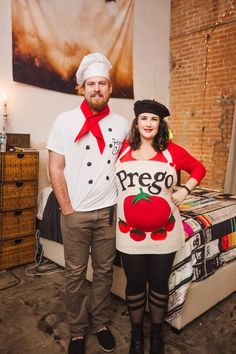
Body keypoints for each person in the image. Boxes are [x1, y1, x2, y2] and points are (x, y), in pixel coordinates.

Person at [47, 52, 130, 354]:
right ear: (81, 88)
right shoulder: (65, 121)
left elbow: (129, 164)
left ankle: (101, 323)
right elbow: (55, 168)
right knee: (75, 274)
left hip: (108, 212)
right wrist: (66, 208)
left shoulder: (122, 124)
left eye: (103, 83)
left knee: (105, 272)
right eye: (91, 84)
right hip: (76, 213)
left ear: (110, 88)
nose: (97, 88)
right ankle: (78, 331)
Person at [115, 99, 206, 354]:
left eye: (154, 119)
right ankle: (136, 334)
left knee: (158, 282)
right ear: (136, 122)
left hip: (164, 235)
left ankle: (156, 333)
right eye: (144, 118)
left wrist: (185, 190)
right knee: (134, 284)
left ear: (160, 124)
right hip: (128, 235)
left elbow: (199, 168)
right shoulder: (121, 150)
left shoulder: (172, 151)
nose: (148, 123)